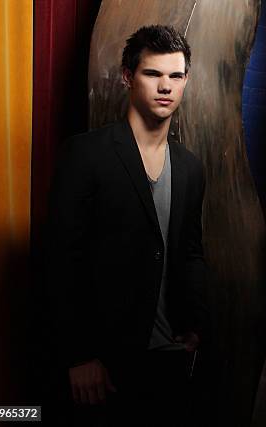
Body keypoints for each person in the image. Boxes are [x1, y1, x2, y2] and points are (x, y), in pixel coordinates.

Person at [46, 25, 208, 425]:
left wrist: (193, 324)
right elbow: (60, 260)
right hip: (103, 364)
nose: (165, 86)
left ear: (186, 80)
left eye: (175, 75)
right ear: (127, 77)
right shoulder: (85, 154)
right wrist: (79, 355)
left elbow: (189, 251)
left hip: (170, 358)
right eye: (153, 74)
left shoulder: (189, 167)